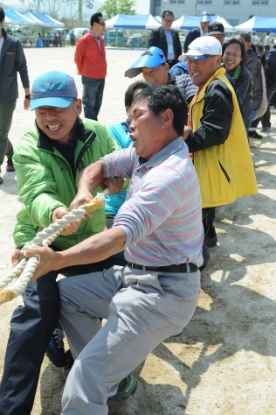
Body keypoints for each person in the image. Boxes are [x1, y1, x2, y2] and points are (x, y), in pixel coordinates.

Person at [24, 84, 204, 414]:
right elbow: (99, 167)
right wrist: (83, 192)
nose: (129, 125)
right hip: (135, 275)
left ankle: (98, 376)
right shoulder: (146, 154)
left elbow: (116, 238)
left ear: (166, 119)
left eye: (137, 116)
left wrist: (57, 259)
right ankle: (114, 375)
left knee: (82, 382)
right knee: (69, 296)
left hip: (163, 291)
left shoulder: (169, 175)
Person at [0, 70, 127, 415]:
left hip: (91, 239)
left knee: (131, 297)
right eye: (42, 110)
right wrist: (56, 213)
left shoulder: (99, 133)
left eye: (57, 109)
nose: (49, 118)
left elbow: (120, 165)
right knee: (35, 314)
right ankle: (11, 409)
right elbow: (34, 191)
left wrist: (116, 178)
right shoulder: (27, 145)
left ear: (77, 106)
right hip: (45, 238)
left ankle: (112, 366)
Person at [182, 36, 258, 247]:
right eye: (190, 60)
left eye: (199, 60)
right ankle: (209, 238)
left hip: (213, 161)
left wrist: (181, 143)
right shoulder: (211, 83)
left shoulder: (217, 88)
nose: (192, 66)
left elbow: (214, 132)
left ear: (217, 61)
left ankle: (203, 247)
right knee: (204, 208)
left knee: (202, 207)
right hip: (210, 161)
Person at [105, 81, 150, 227]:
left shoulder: (159, 133)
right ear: (127, 108)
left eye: (149, 103)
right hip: (115, 210)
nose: (144, 108)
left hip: (147, 210)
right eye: (138, 103)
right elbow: (122, 167)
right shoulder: (113, 132)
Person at [0, 7, 30, 185]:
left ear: (2, 21)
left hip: (7, 95)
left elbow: (23, 68)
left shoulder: (13, 43)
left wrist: (28, 95)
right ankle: (11, 155)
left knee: (1, 133)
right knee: (0, 133)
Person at [125, 46, 198, 104]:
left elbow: (195, 104)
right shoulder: (144, 92)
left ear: (166, 67)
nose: (149, 76)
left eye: (153, 70)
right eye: (145, 73)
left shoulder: (185, 81)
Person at [74, 12, 107, 121]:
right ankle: (92, 127)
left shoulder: (101, 39)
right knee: (89, 105)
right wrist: (80, 70)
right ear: (95, 25)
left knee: (97, 104)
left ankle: (93, 124)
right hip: (90, 78)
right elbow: (77, 58)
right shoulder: (84, 40)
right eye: (102, 23)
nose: (104, 25)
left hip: (101, 77)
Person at [235, 32, 263, 139]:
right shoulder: (241, 57)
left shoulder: (252, 61)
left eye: (240, 42)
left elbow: (245, 85)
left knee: (240, 135)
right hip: (245, 103)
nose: (237, 44)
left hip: (249, 106)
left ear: (249, 45)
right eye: (235, 41)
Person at [222, 37, 252, 132]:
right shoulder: (217, 69)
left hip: (238, 121)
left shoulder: (244, 75)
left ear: (241, 57)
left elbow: (235, 101)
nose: (230, 57)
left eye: (235, 54)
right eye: (227, 53)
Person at [251, 43, 276, 133]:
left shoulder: (268, 60)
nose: (256, 54)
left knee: (261, 103)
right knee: (265, 104)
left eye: (258, 52)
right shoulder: (255, 60)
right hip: (261, 86)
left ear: (262, 52)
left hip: (270, 86)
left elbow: (265, 73)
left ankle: (252, 128)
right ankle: (266, 125)